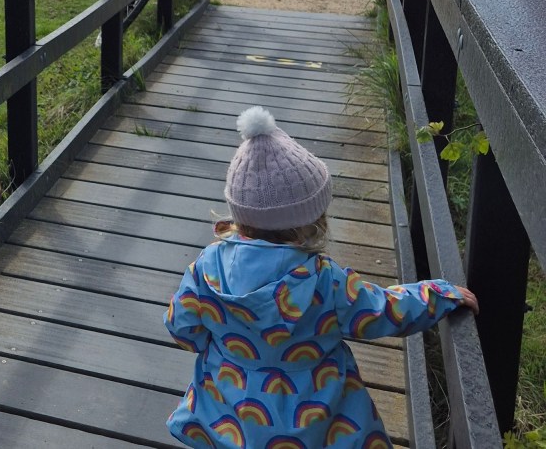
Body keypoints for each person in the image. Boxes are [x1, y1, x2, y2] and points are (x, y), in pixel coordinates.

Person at [164, 106, 479, 449]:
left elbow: (182, 328)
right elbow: (384, 311)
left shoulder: (206, 267)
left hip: (233, 414)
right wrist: (439, 294)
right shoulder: (324, 282)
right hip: (316, 420)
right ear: (310, 221)